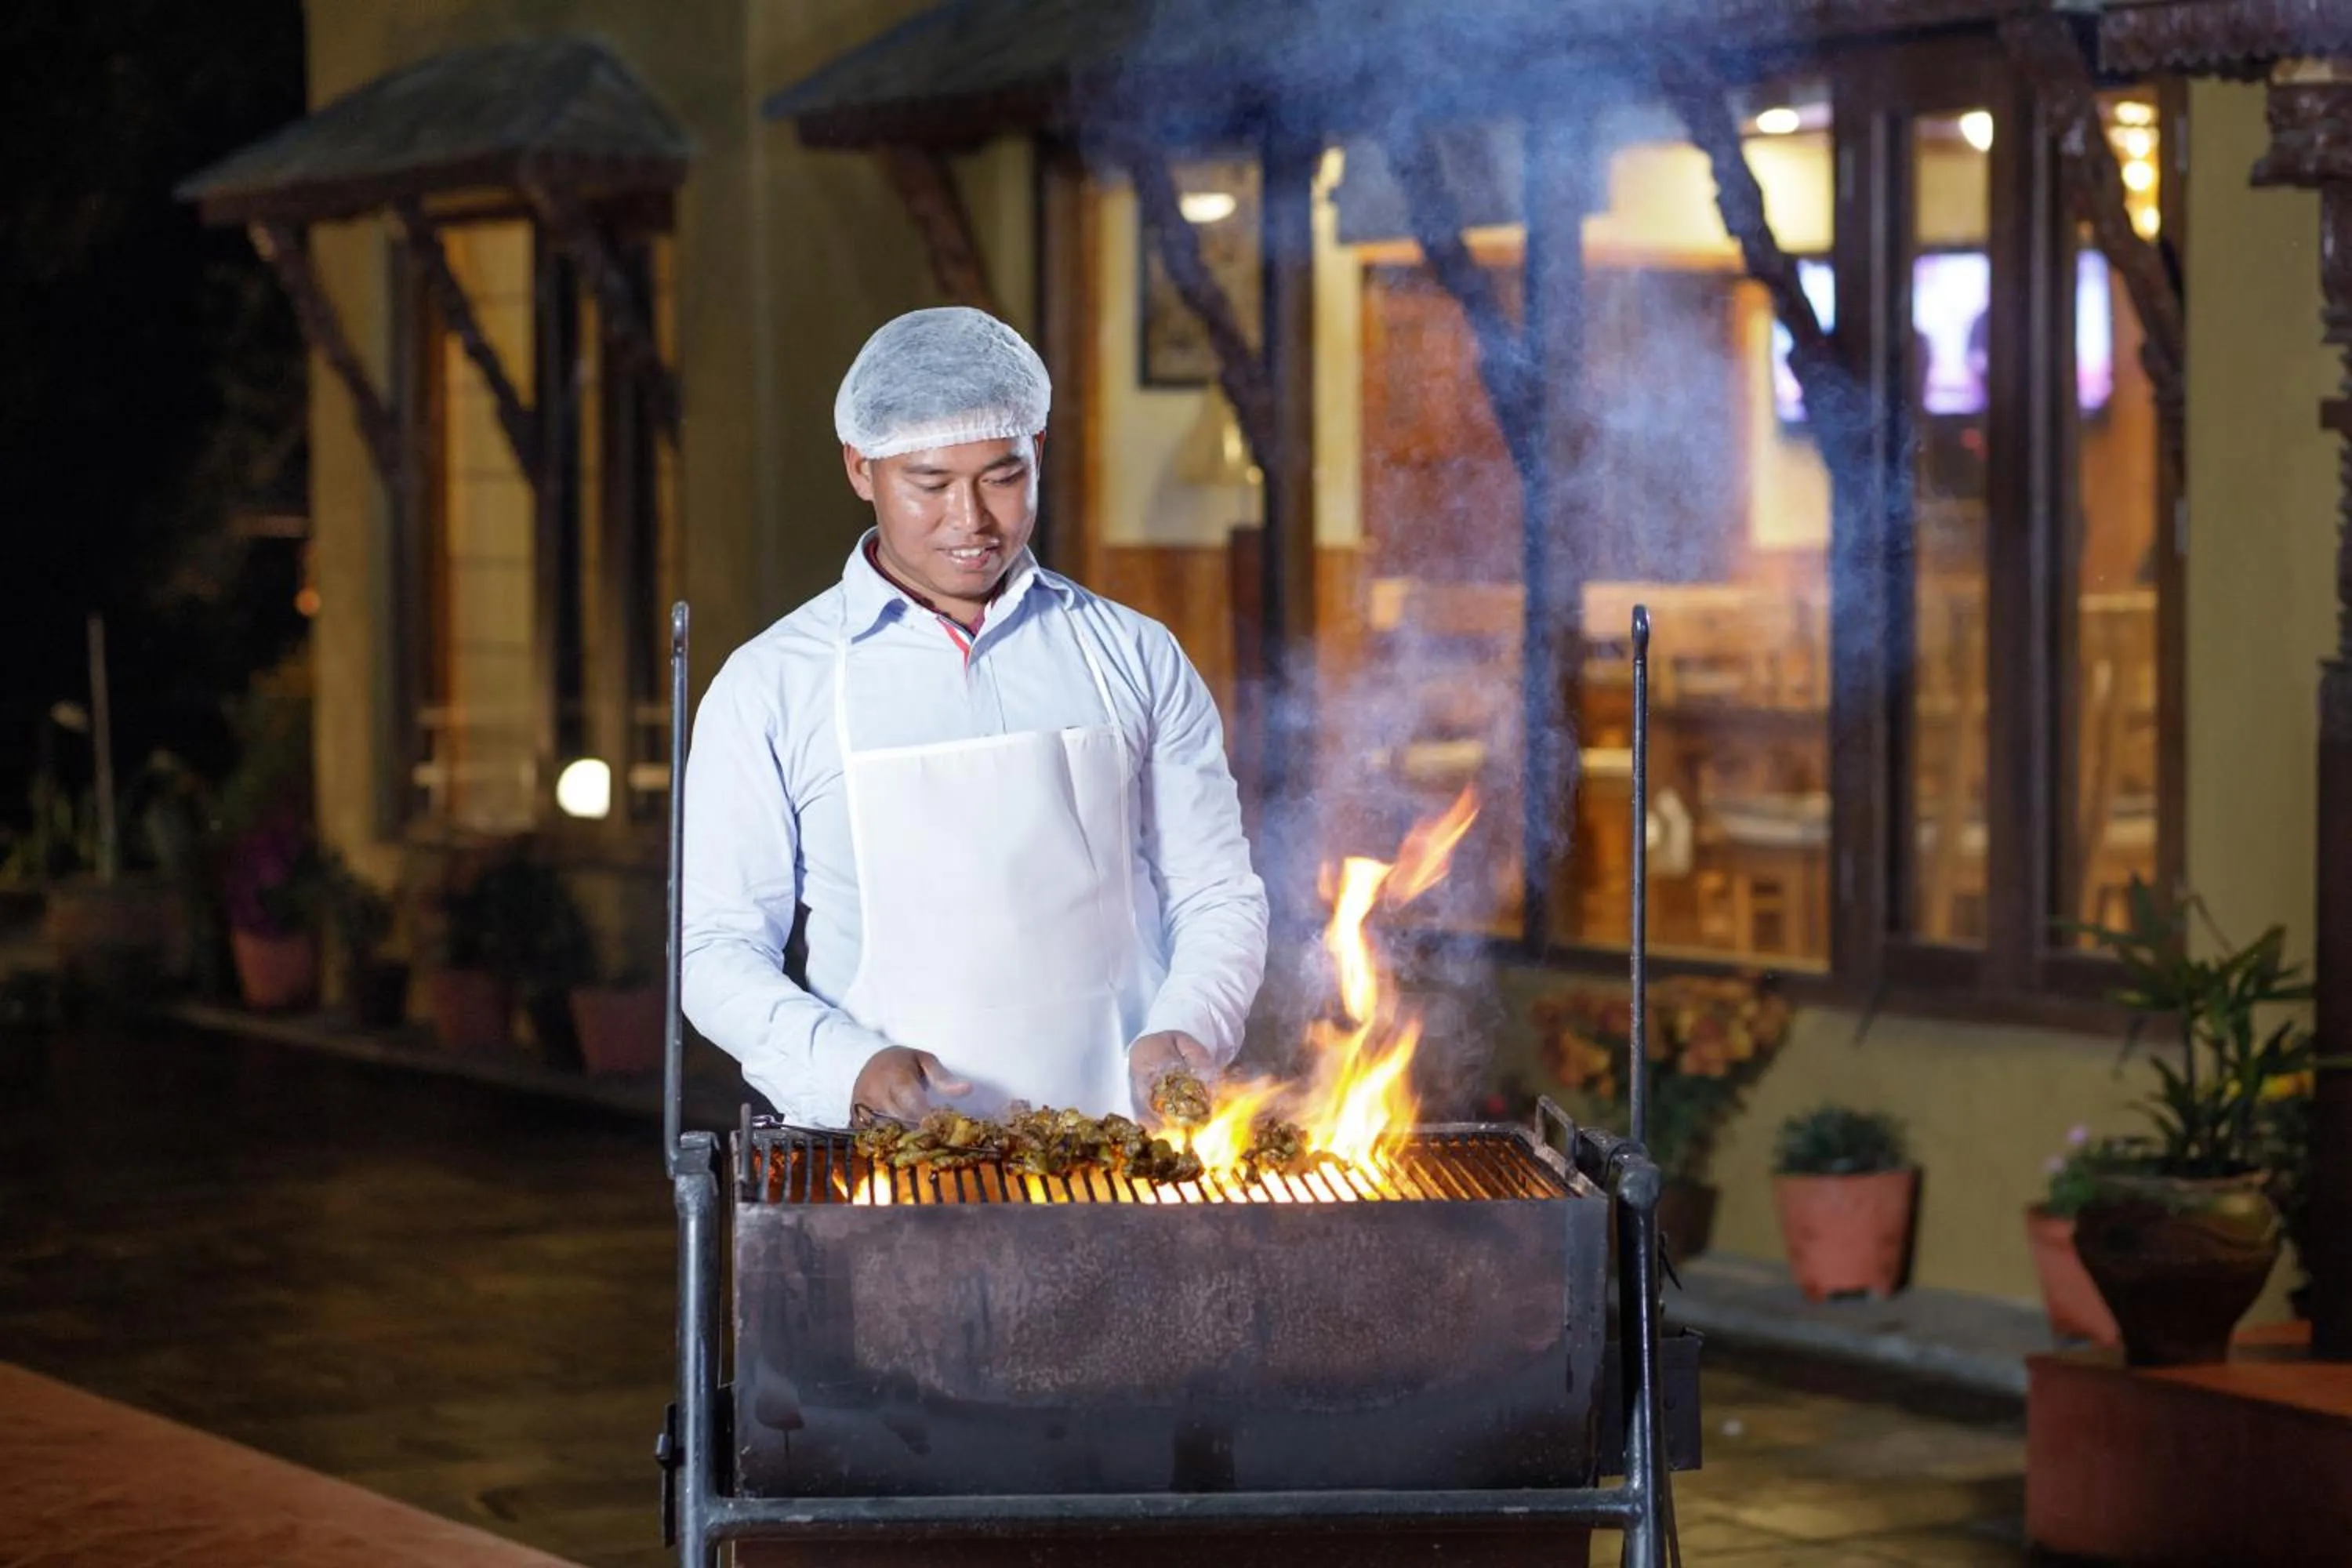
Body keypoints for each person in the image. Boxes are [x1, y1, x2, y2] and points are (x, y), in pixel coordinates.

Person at [681, 307, 1268, 1129]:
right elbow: (715, 948)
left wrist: (1187, 1025)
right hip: (893, 1168)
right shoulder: (772, 684)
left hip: (1125, 1154)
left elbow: (1215, 891)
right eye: (930, 484)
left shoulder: (1134, 654)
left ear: (1041, 455)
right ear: (861, 468)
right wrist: (848, 1065)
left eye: (1002, 475)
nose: (972, 520)